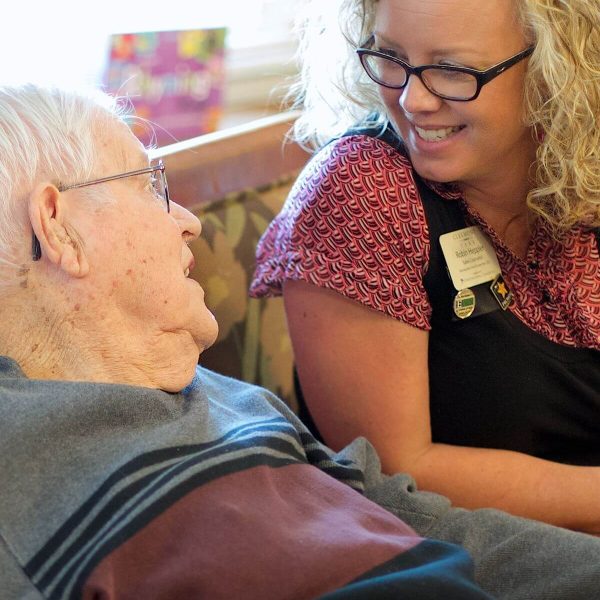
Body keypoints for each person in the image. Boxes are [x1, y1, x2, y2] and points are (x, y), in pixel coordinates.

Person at [0, 84, 599, 600]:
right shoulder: (21, 471)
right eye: (149, 187)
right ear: (57, 225)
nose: (188, 220)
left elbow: (417, 520)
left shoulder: (227, 397)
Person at [250, 0, 600, 534]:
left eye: (453, 70)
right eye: (390, 56)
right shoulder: (363, 191)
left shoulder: (581, 161)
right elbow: (391, 475)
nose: (413, 100)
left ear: (559, 68)